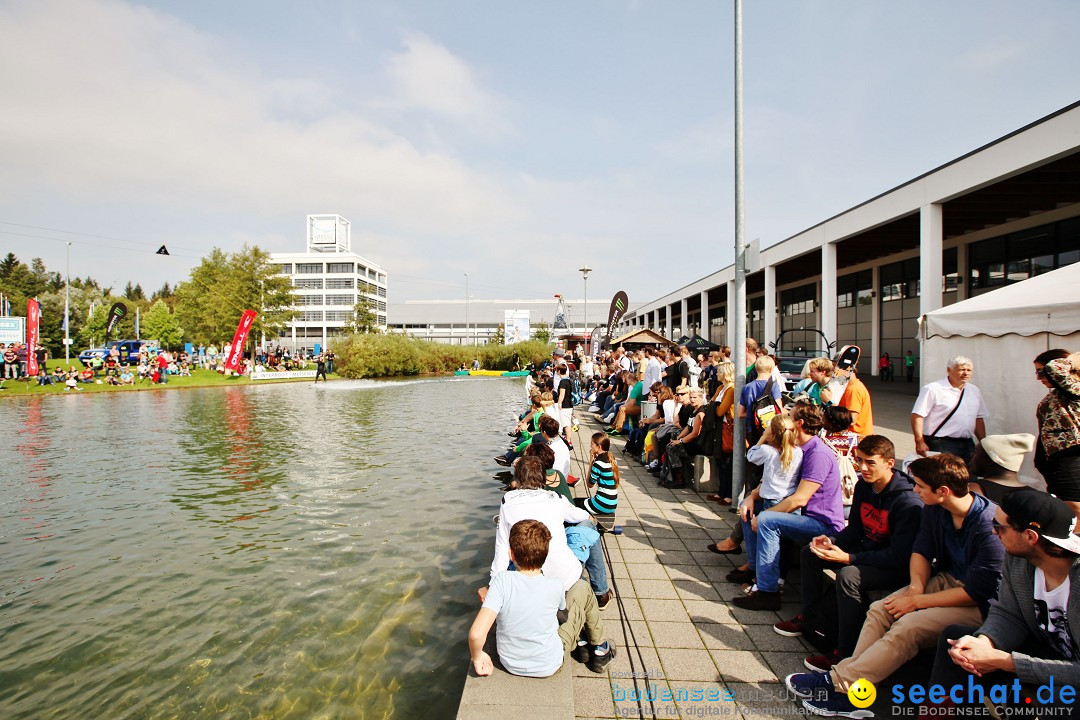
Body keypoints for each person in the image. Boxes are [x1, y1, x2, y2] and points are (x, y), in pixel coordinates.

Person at [786, 454, 1004, 717]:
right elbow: (921, 551)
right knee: (881, 609)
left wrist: (916, 602)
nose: (915, 490)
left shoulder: (987, 526)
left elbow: (977, 592)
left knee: (908, 627)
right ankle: (850, 682)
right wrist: (914, 589)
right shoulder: (936, 509)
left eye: (921, 486)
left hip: (981, 603)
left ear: (943, 491)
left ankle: (841, 684)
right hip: (949, 581)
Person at [774, 435, 923, 674]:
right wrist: (832, 542)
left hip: (894, 566)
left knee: (848, 575)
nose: (863, 468)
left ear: (890, 463)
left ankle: (845, 652)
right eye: (860, 460)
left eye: (871, 463)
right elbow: (855, 528)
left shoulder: (908, 503)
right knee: (811, 553)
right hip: (869, 552)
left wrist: (849, 558)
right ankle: (810, 619)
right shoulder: (865, 485)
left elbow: (899, 556)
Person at [928, 489, 1080, 711]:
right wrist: (984, 642)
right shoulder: (1018, 559)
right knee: (959, 641)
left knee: (1060, 697)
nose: (993, 531)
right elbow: (1008, 613)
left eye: (1000, 527)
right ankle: (936, 715)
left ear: (1030, 536)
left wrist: (1005, 661)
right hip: (1049, 651)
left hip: (1071, 671)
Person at [733, 401, 846, 611]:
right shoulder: (800, 448)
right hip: (805, 516)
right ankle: (757, 570)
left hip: (822, 524)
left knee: (766, 520)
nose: (784, 418)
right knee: (748, 511)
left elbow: (799, 499)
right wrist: (752, 497)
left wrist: (764, 515)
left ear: (798, 424)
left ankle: (767, 592)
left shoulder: (817, 454)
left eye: (789, 416)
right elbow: (778, 483)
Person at [469, 519, 615, 678]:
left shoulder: (501, 581)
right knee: (582, 587)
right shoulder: (555, 585)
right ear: (545, 556)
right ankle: (600, 650)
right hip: (550, 664)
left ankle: (583, 646)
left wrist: (477, 658)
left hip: (509, 662)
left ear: (511, 554)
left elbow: (476, 634)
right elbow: (562, 615)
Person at [726, 414, 803, 590]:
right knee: (777, 540)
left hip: (772, 501)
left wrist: (763, 437)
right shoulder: (798, 452)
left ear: (773, 434)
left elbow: (750, 455)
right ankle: (766, 574)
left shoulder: (768, 451)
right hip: (788, 501)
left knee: (766, 539)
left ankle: (763, 580)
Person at [911, 355, 988, 464]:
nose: (966, 373)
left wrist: (983, 442)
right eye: (961, 370)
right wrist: (919, 441)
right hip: (940, 443)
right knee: (944, 478)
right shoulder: (933, 389)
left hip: (968, 443)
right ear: (949, 370)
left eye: (969, 370)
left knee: (970, 477)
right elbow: (917, 415)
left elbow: (978, 418)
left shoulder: (974, 391)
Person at [1034, 354, 1080, 522]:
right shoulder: (1056, 395)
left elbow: (1055, 368)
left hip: (1072, 459)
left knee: (1074, 509)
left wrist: (1073, 358)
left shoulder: (1075, 388)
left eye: (1041, 372)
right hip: (1057, 462)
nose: (1039, 378)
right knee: (1064, 508)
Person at [968, 434, 1037, 505]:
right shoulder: (1036, 498)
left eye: (975, 452)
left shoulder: (972, 492)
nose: (971, 455)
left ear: (991, 461)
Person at [579, 432, 619, 516]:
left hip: (602, 504)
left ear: (599, 447)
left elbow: (589, 484)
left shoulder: (598, 463)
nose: (590, 446)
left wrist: (591, 463)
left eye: (592, 444)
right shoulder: (612, 459)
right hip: (612, 504)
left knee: (574, 502)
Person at [837, 362, 873, 439]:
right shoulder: (851, 386)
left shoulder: (853, 389)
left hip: (855, 439)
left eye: (835, 368)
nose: (834, 372)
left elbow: (852, 420)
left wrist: (830, 402)